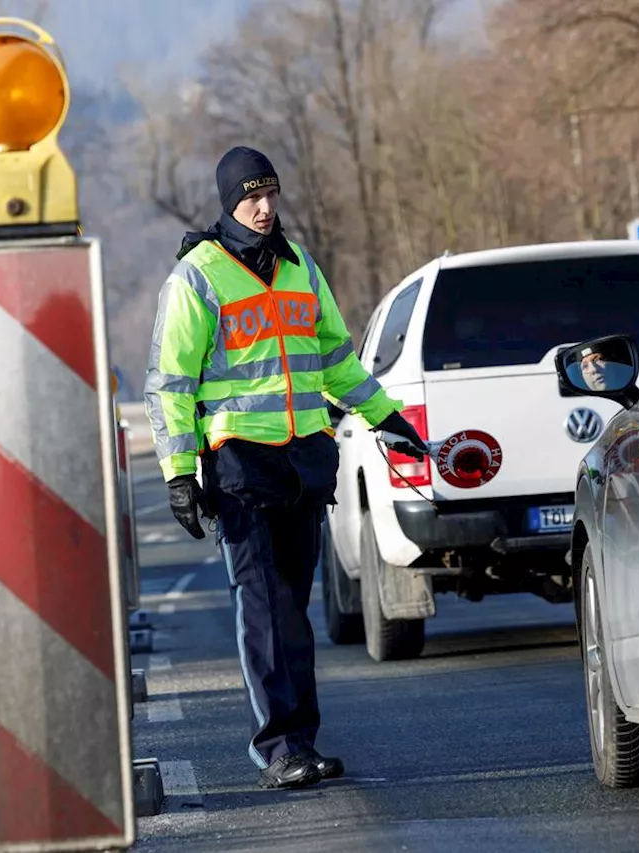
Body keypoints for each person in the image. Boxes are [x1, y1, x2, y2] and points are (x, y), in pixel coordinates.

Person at [144, 146, 428, 790]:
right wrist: (180, 474)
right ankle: (278, 746)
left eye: (271, 194)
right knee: (266, 606)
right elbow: (169, 385)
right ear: (229, 203)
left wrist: (386, 415)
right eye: (252, 198)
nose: (265, 207)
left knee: (293, 612)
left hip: (305, 461)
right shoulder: (198, 277)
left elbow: (335, 360)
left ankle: (301, 739)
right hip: (239, 464)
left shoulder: (301, 267)